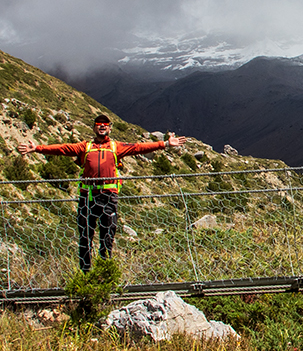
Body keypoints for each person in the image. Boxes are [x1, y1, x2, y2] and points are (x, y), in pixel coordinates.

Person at [17, 115, 185, 270]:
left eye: (105, 124)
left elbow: (138, 148)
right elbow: (63, 148)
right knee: (85, 237)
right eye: (99, 124)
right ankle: (85, 274)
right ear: (94, 128)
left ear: (110, 129)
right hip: (88, 197)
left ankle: (104, 273)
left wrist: (166, 144)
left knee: (107, 237)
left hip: (108, 197)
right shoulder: (85, 146)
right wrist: (37, 148)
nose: (102, 126)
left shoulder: (116, 146)